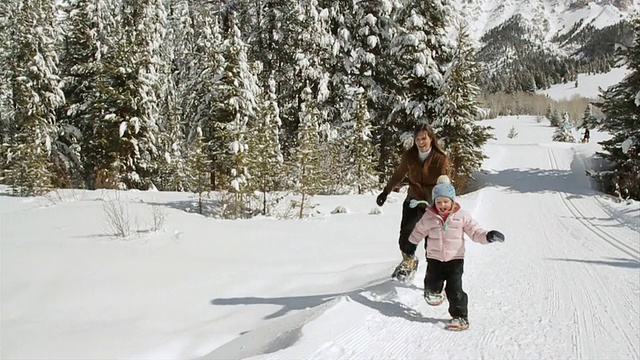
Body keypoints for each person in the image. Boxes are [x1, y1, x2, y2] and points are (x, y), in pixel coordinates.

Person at [408, 175, 505, 330]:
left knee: (455, 290)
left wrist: (487, 236)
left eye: (445, 201)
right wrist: (411, 244)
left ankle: (460, 317)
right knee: (431, 284)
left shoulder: (462, 216)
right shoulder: (429, 216)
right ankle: (434, 292)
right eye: (438, 202)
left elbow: (475, 231)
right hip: (434, 258)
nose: (442, 205)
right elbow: (418, 230)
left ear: (452, 201)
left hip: (455, 259)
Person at [376, 123, 450, 281]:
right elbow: (398, 175)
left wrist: (445, 207)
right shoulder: (409, 157)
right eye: (417, 139)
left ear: (431, 138)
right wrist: (385, 192)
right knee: (406, 236)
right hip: (413, 200)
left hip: (432, 205)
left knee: (432, 242)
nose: (420, 142)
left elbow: (445, 184)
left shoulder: (440, 158)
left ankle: (433, 278)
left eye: (424, 138)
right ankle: (409, 260)